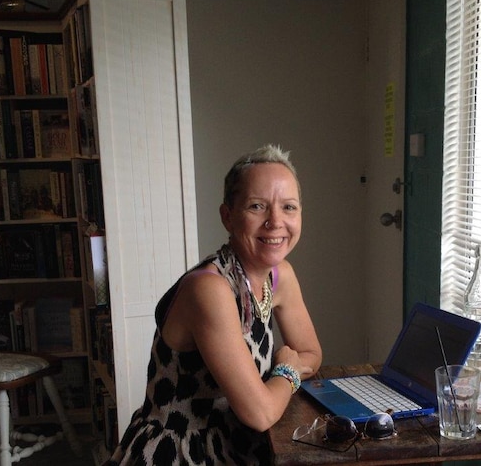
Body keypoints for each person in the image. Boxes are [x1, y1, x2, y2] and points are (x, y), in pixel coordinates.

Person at [105, 145, 323, 465]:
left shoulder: (280, 275)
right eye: (257, 206)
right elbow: (260, 412)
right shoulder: (209, 289)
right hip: (183, 451)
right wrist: (287, 370)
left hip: (238, 443)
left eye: (288, 207)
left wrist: (277, 383)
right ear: (227, 216)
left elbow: (312, 355)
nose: (275, 222)